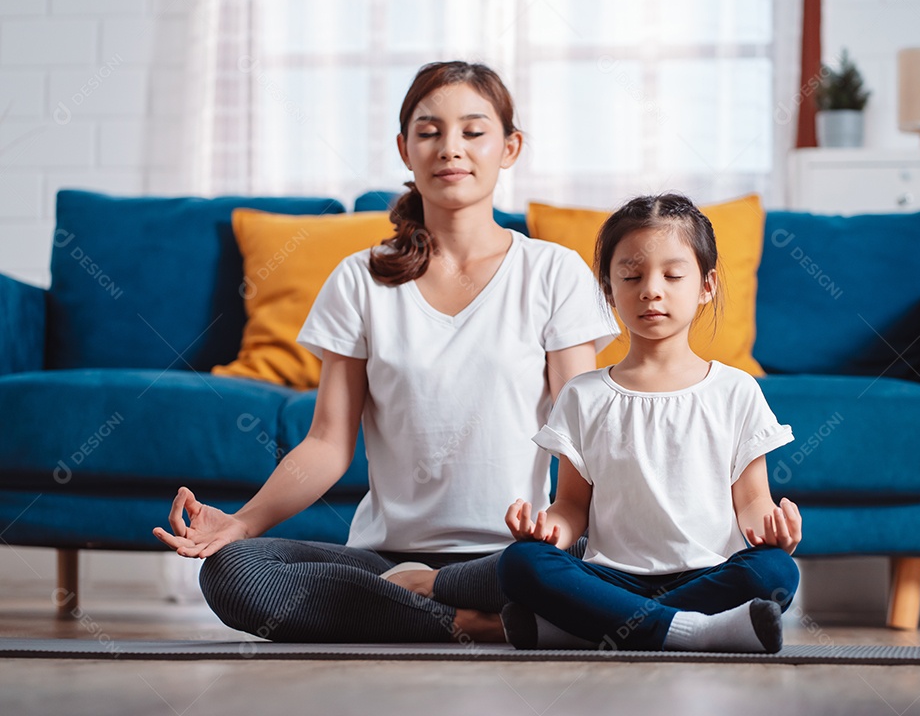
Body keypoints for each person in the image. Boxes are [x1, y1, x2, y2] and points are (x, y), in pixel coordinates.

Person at [153, 61, 620, 643]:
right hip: (387, 561)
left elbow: (582, 433)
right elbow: (326, 443)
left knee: (579, 557)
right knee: (233, 572)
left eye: (473, 132)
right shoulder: (359, 280)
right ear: (405, 148)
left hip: (513, 553)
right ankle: (479, 623)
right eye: (429, 132)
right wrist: (242, 523)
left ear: (510, 147)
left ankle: (432, 608)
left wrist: (558, 530)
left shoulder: (552, 272)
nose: (451, 148)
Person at [497, 193, 802, 653]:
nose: (651, 290)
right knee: (521, 562)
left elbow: (753, 500)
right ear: (607, 289)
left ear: (707, 285)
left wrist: (772, 527)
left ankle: (591, 627)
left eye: (672, 275)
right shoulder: (584, 394)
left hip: (707, 572)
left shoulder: (735, 390)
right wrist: (548, 530)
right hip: (612, 576)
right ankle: (691, 630)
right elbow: (572, 508)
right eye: (631, 276)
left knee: (776, 571)